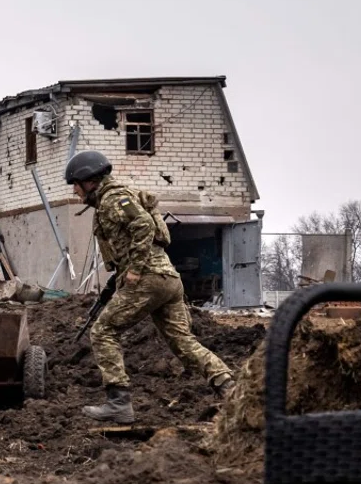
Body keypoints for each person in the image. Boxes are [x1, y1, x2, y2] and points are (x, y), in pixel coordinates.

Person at [64, 151, 236, 424]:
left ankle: (118, 402)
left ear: (90, 180)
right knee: (182, 341)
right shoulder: (120, 197)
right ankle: (229, 388)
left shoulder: (111, 199)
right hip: (168, 279)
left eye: (76, 183)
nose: (74, 190)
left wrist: (133, 269)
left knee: (103, 331)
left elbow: (143, 225)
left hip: (148, 279)